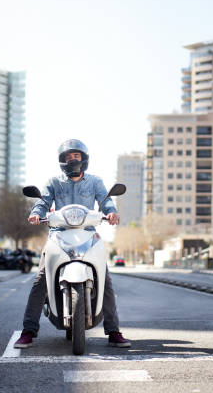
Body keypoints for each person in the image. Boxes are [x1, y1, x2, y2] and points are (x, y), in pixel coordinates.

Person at [14, 139, 131, 349]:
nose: (72, 160)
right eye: (68, 157)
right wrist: (35, 214)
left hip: (87, 234)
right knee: (41, 280)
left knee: (104, 279)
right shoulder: (54, 182)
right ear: (62, 161)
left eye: (76, 156)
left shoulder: (95, 181)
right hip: (59, 234)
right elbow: (43, 202)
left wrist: (111, 212)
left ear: (83, 159)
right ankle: (28, 331)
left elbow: (106, 200)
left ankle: (113, 331)